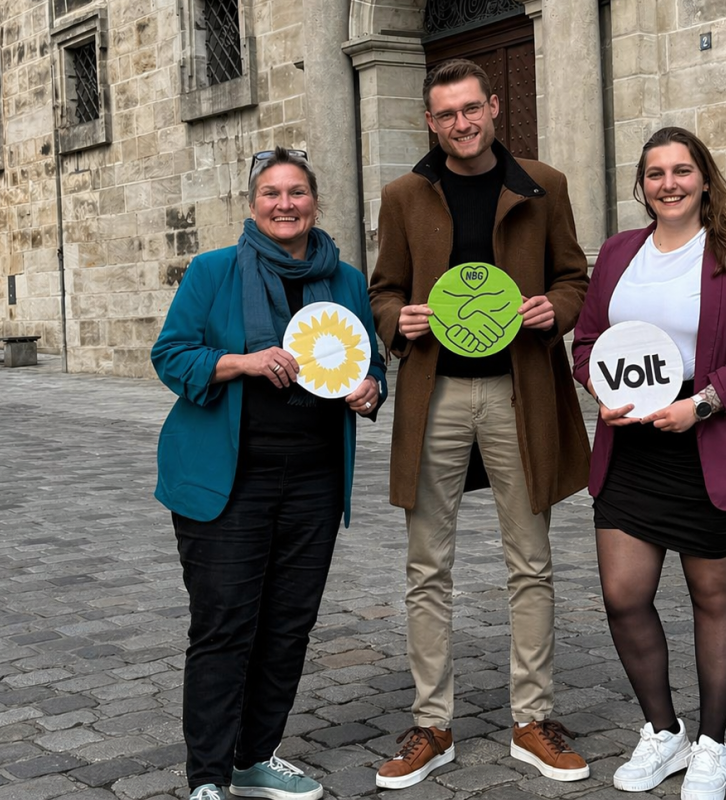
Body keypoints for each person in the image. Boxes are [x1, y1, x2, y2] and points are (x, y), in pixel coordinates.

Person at [368, 58, 592, 788]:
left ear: (494, 108)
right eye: (447, 114)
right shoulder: (404, 195)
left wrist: (552, 311)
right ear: (430, 122)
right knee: (426, 565)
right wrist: (394, 320)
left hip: (516, 390)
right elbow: (385, 288)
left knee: (531, 559)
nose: (462, 123)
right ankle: (431, 723)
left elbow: (573, 279)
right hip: (434, 394)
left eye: (472, 109)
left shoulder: (543, 184)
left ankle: (532, 718)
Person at [152, 147, 387, 800]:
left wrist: (371, 392)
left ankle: (255, 756)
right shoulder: (214, 270)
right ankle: (207, 776)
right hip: (227, 480)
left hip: (312, 481)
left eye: (298, 192)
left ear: (315, 200)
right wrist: (243, 363)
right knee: (226, 623)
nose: (286, 204)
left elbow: (370, 365)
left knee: (288, 624)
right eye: (272, 193)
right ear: (252, 204)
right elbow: (171, 355)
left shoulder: (343, 280)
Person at [571, 127, 726, 800]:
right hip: (632, 447)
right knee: (622, 596)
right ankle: (665, 733)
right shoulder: (616, 253)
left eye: (682, 170)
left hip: (708, 446)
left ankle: (714, 746)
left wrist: (704, 404)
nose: (669, 183)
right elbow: (587, 343)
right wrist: (600, 391)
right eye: (656, 173)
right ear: (642, 185)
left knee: (713, 598)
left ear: (704, 179)